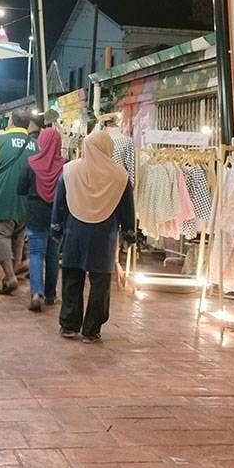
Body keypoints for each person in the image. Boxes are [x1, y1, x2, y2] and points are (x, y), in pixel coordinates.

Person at [52, 130, 134, 343]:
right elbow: (127, 209)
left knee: (72, 277)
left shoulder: (69, 171)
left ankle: (69, 325)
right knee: (100, 283)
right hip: (103, 235)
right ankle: (92, 329)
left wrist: (56, 228)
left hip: (74, 232)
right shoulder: (120, 176)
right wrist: (129, 233)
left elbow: (59, 202)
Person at [0, 110, 36, 295]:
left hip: (3, 196)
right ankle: (10, 276)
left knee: (0, 235)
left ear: (11, 121)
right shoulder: (36, 145)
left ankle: (10, 275)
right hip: (27, 199)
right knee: (18, 237)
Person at [18, 127, 65, 312]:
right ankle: (51, 295)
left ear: (42, 142)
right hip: (57, 214)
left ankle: (36, 293)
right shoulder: (65, 165)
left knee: (36, 253)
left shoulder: (31, 164)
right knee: (53, 254)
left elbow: (20, 189)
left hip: (36, 213)